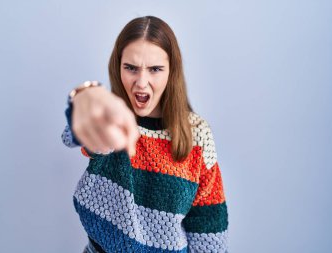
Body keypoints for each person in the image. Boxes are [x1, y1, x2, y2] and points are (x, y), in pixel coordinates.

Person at [61, 16, 229, 253]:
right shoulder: (113, 116)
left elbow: (208, 224)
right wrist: (83, 96)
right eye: (130, 68)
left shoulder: (197, 135)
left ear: (172, 72)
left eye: (155, 69)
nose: (141, 82)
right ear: (117, 67)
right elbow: (71, 135)